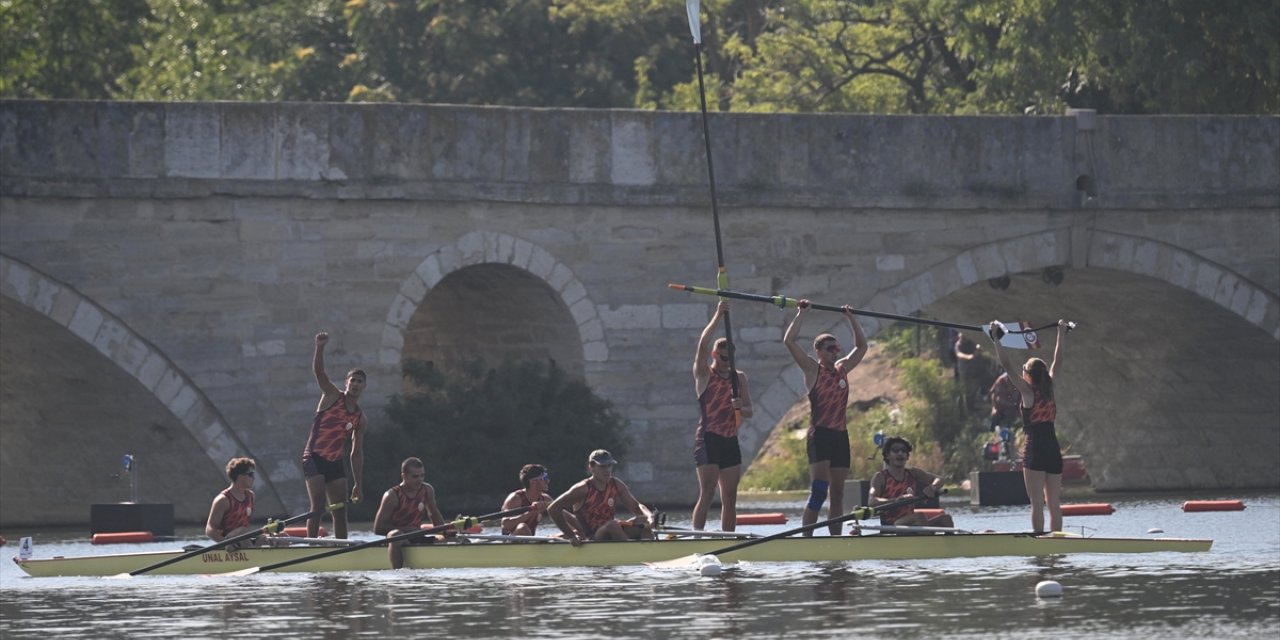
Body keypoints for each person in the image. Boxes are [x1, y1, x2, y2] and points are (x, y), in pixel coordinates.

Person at [783, 300, 867, 536]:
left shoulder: (842, 369)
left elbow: (862, 347)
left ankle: (835, 539)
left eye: (836, 348)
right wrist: (801, 313)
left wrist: (851, 317)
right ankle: (808, 538)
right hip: (820, 434)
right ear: (819, 353)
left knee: (838, 494)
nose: (835, 352)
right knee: (820, 490)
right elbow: (789, 342)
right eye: (830, 349)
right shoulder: (812, 370)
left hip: (840, 435)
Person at [989, 319, 1070, 534]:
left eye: (1024, 369)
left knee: (1037, 503)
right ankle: (1059, 540)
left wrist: (996, 339)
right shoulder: (1050, 387)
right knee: (1054, 503)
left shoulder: (1027, 392)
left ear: (1027, 374)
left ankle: (1040, 541)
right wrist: (1062, 332)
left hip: (1036, 450)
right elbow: (1058, 359)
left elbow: (1006, 366)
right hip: (1053, 449)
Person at [692, 300, 753, 532]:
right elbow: (702, 344)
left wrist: (739, 406)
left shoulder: (740, 378)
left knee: (730, 497)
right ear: (715, 355)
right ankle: (696, 538)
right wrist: (718, 315)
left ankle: (728, 540)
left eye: (732, 360)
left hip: (729, 440)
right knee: (707, 493)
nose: (728, 364)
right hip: (708, 439)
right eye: (724, 359)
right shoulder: (704, 374)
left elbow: (750, 412)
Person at [301, 331, 368, 539]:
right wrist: (320, 347)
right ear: (346, 383)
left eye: (359, 381)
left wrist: (358, 483)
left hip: (334, 462)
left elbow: (356, 454)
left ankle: (342, 547)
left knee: (340, 509)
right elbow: (320, 373)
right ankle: (311, 545)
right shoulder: (331, 395)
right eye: (353, 380)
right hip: (314, 457)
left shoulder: (360, 418)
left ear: (364, 387)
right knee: (319, 506)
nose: (355, 384)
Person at [547, 449, 657, 544]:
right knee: (613, 525)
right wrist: (571, 535)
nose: (607, 470)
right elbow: (553, 509)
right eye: (603, 466)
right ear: (591, 467)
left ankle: (651, 554)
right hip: (592, 537)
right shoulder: (582, 489)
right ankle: (631, 553)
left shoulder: (616, 484)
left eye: (610, 465)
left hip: (611, 531)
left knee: (643, 521)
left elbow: (636, 506)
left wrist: (650, 517)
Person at [373, 457, 446, 569]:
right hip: (396, 539)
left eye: (422, 475)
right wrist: (407, 530)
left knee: (457, 539)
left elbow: (434, 514)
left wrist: (446, 533)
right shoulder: (392, 496)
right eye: (415, 476)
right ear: (404, 476)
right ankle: (398, 572)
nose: (420, 480)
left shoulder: (427, 490)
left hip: (417, 535)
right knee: (395, 535)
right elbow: (378, 528)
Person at [866, 437, 954, 529]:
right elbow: (871, 501)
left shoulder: (913, 473)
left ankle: (949, 542)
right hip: (891, 525)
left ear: (907, 456)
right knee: (919, 516)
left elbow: (939, 479)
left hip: (911, 523)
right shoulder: (880, 477)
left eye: (903, 451)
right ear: (887, 455)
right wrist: (896, 500)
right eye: (895, 450)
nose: (900, 453)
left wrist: (933, 487)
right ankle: (928, 540)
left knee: (946, 519)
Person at [205, 457, 264, 549]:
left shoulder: (251, 496)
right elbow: (210, 529)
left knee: (275, 536)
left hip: (244, 538)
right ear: (240, 476)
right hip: (228, 542)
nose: (254, 478)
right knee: (243, 532)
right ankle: (252, 555)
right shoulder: (223, 500)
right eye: (251, 474)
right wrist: (225, 543)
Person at [500, 464, 555, 536]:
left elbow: (563, 514)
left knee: (569, 532)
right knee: (522, 527)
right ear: (533, 482)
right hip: (510, 541)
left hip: (530, 540)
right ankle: (534, 545)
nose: (548, 481)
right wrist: (531, 512)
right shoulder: (515, 498)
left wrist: (573, 527)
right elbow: (505, 525)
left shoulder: (546, 499)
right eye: (544, 478)